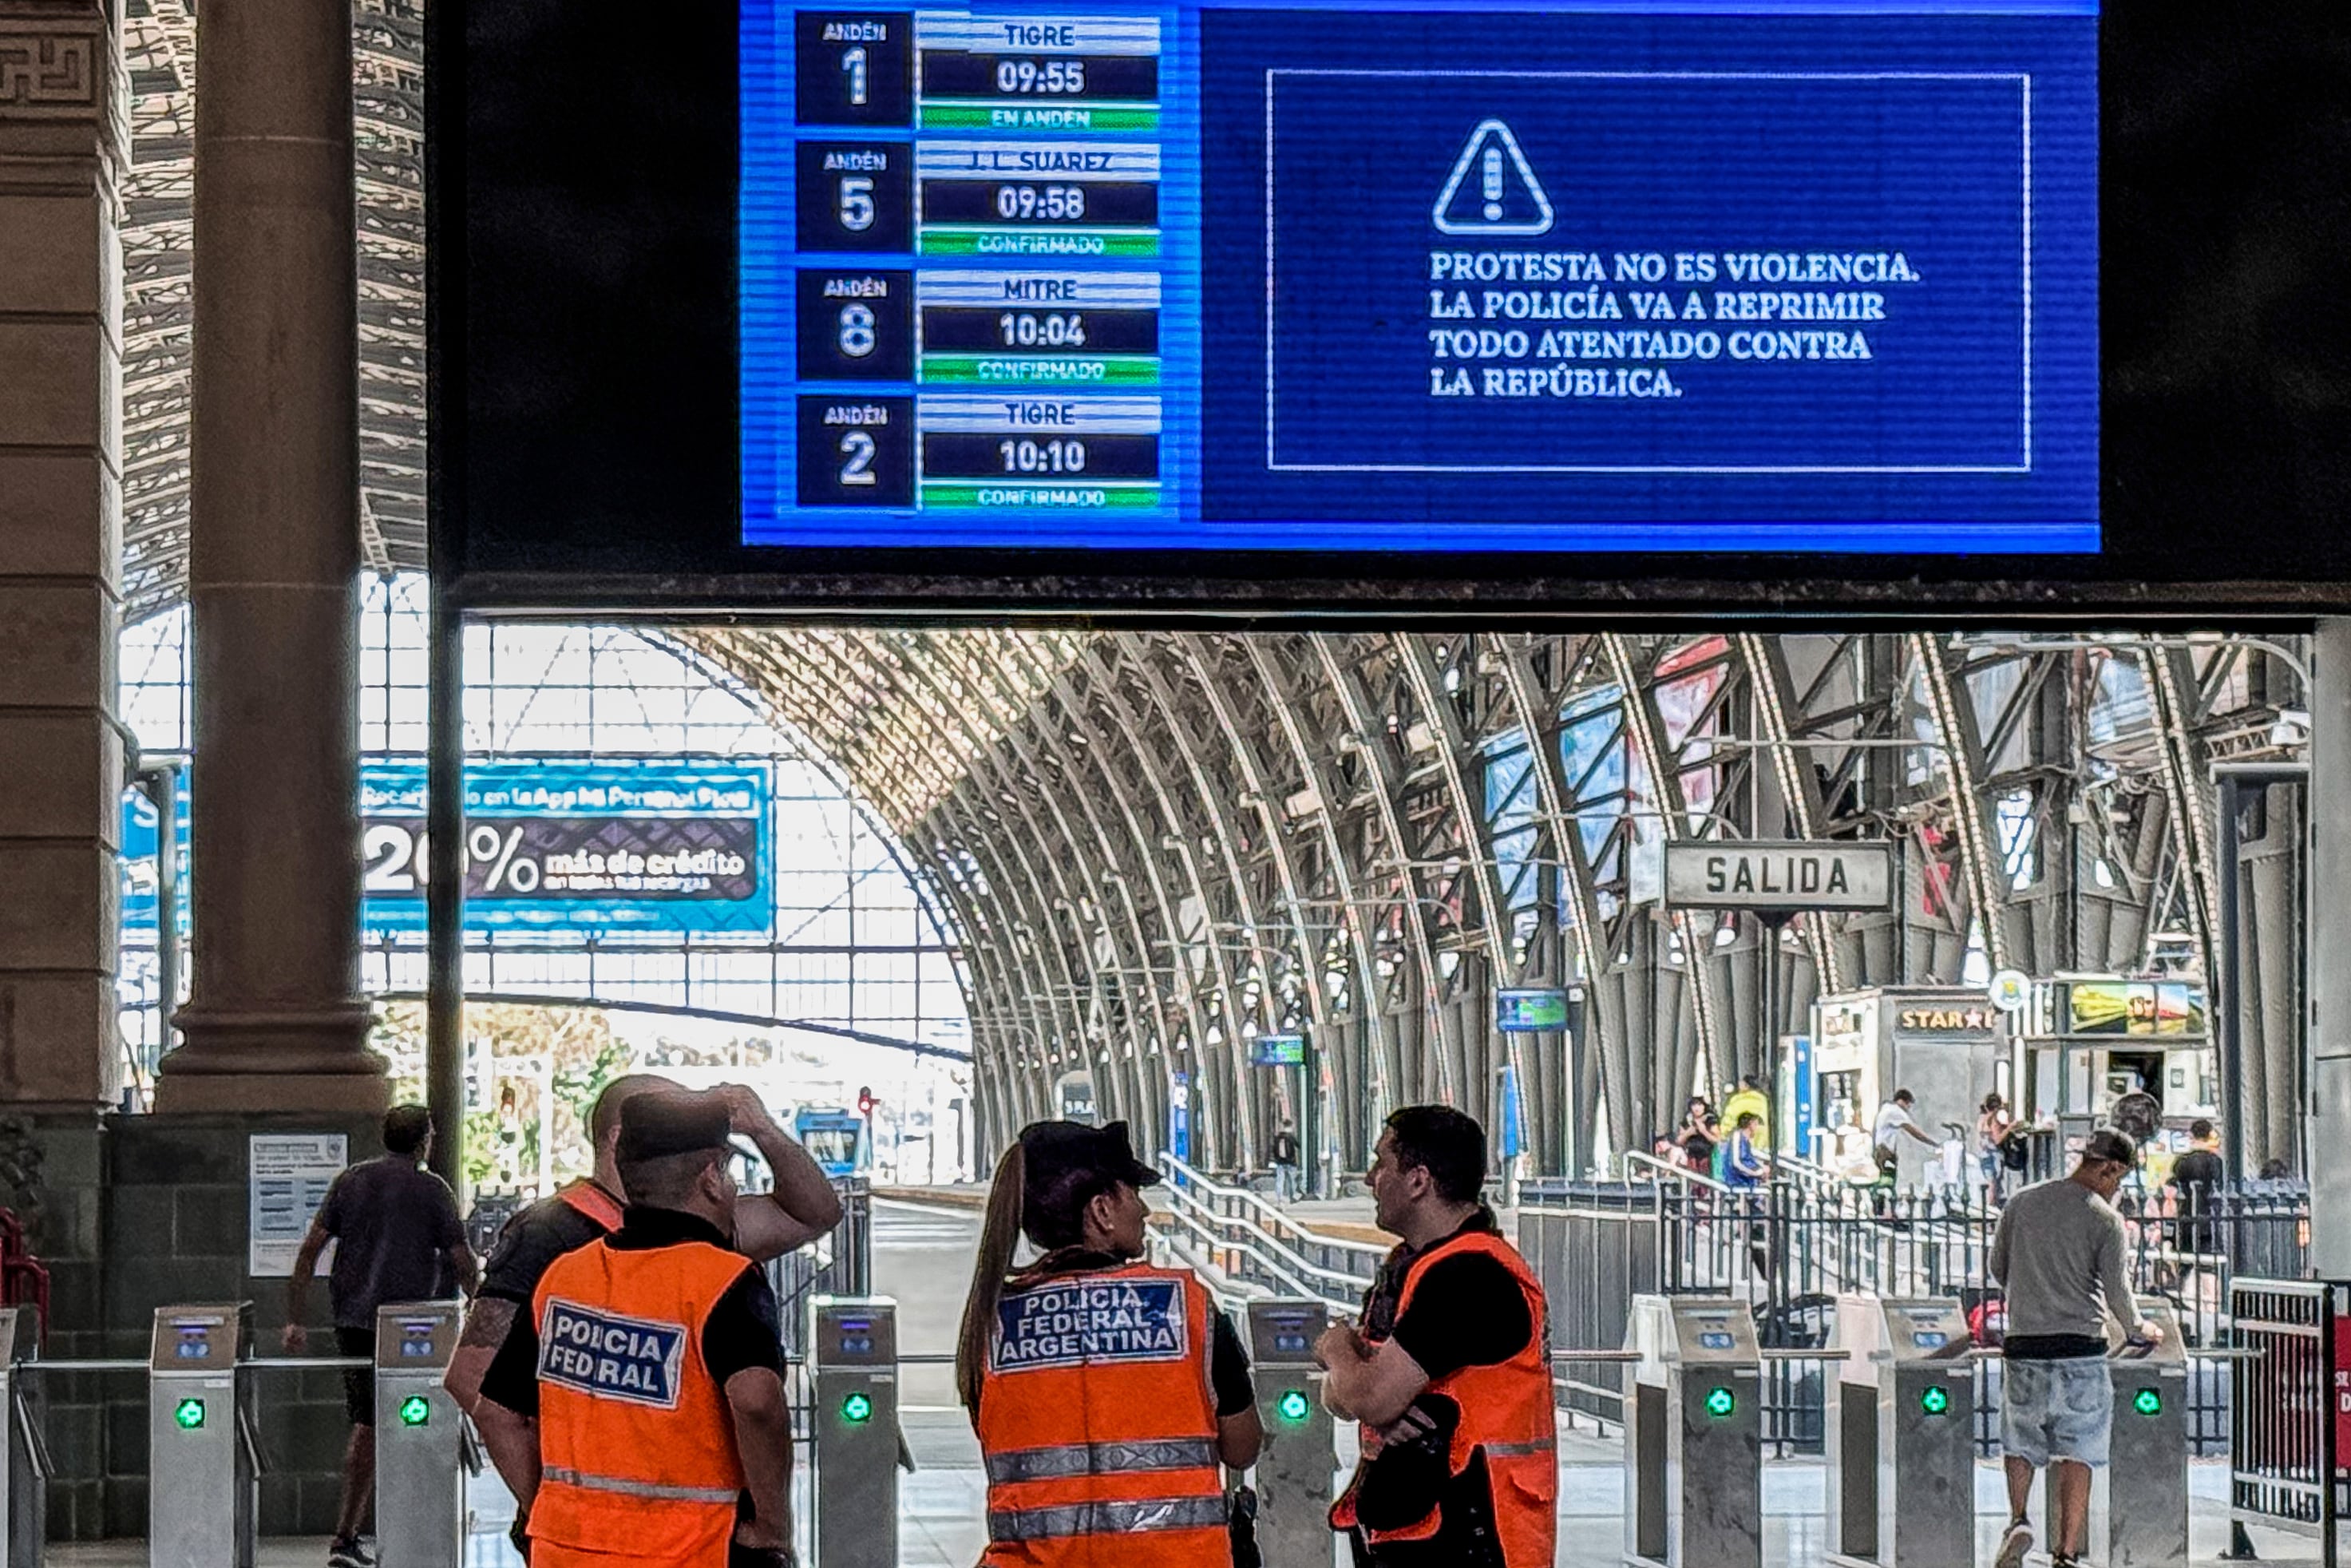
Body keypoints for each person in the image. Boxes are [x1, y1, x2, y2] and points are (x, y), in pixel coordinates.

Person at [475, 1090, 794, 1567]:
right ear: (710, 1178)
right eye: (728, 1173)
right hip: (690, 1552)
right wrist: (772, 1523)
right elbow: (756, 1401)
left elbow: (496, 1412)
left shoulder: (563, 1278)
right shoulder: (721, 1282)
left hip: (566, 1552)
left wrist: (550, 1508)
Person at [954, 1119, 1261, 1566]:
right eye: (1134, 1193)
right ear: (1101, 1211)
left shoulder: (991, 1320)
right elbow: (1243, 1446)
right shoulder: (1185, 1306)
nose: (1144, 1211)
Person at [445, 1074, 841, 1419]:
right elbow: (472, 1377)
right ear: (620, 1137)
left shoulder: (706, 1223)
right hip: (589, 1498)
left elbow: (815, 1214)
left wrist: (764, 1130)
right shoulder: (548, 1232)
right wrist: (549, 1494)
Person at [1318, 1106, 1555, 1568]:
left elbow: (1368, 1395)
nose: (1370, 1179)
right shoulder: (1410, 1269)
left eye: (1381, 1163)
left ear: (1418, 1180)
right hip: (1424, 1535)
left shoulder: (1469, 1276)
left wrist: (1331, 1345)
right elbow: (1342, 1396)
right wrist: (1359, 1382)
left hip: (1474, 1542)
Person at [286, 1104, 477, 1568]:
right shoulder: (432, 1189)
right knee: (416, 1417)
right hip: (415, 1326)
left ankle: (347, 1534)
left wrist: (295, 1317)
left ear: (383, 1134)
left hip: (353, 1320)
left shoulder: (351, 1181)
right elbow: (460, 1257)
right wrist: (482, 1308)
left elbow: (311, 1248)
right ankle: (405, 1526)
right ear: (425, 1141)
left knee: (368, 1422)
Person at [1989, 1128, 2165, 1568]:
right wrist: (2141, 1328)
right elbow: (2118, 1293)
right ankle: (2065, 1552)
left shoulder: (2022, 1202)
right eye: (2118, 1179)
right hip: (2081, 1349)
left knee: (2020, 1438)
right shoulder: (2103, 1220)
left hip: (2025, 1344)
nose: (2117, 1187)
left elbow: (1998, 1269)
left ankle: (2018, 1520)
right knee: (2078, 1449)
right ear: (2110, 1168)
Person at [2168, 1119, 2225, 1255]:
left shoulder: (2182, 1162)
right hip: (2210, 1218)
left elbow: (2173, 1186)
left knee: (2185, 1261)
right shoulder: (2216, 1162)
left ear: (2191, 1136)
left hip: (2186, 1218)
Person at [1871, 1088, 1936, 1183]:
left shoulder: (1887, 1108)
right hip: (1885, 1152)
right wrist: (1934, 1143)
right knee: (1887, 1180)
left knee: (1885, 1179)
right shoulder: (1895, 1111)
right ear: (1902, 1101)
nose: (1909, 1107)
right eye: (1908, 1103)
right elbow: (1914, 1132)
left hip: (1880, 1151)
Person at [1978, 1092, 2017, 1203]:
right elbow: (1997, 1139)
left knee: (1988, 1180)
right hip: (1993, 1154)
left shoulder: (1982, 1119)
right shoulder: (1993, 1120)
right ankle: (1990, 1207)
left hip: (1984, 1153)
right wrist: (2009, 1127)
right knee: (1993, 1183)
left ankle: (1987, 1206)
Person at [1720, 1075, 1769, 1153]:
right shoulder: (1763, 1101)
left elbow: (1728, 1122)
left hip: (1739, 1145)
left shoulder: (1737, 1100)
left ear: (1746, 1086)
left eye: (1741, 1083)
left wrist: (1723, 1135)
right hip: (1762, 1144)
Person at [1670, 1097, 1716, 1174]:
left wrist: (1704, 1131)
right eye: (1694, 1105)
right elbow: (1679, 1141)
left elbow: (1717, 1140)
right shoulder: (1687, 1121)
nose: (1696, 1108)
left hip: (1708, 1158)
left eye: (1699, 1104)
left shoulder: (1710, 1120)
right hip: (1692, 1158)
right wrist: (1689, 1132)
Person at [1722, 1111, 1767, 1191]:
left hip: (1747, 1177)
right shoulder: (1737, 1136)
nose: (1757, 1128)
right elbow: (1736, 1162)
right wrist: (1754, 1173)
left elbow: (1749, 1158)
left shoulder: (1747, 1141)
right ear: (1749, 1124)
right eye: (1755, 1124)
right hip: (1736, 1177)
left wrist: (1760, 1169)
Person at [1271, 1120, 1302, 1202]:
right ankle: (1293, 1196)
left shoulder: (1278, 1137)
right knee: (1292, 1179)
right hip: (1291, 1162)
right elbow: (1298, 1145)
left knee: (1280, 1179)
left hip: (1280, 1162)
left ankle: (1279, 1197)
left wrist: (1276, 1159)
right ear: (1291, 1126)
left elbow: (1274, 1149)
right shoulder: (1291, 1137)